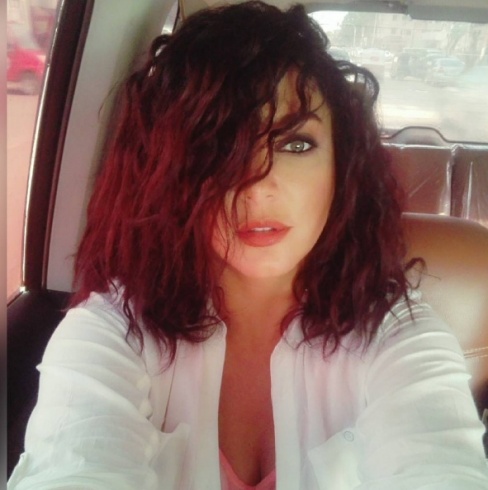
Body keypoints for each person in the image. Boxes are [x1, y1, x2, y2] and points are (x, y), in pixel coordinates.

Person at [8, 2, 488, 489]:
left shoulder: (397, 337)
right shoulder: (112, 333)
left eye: (296, 144)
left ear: (341, 167)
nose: (257, 186)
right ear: (169, 175)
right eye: (219, 147)